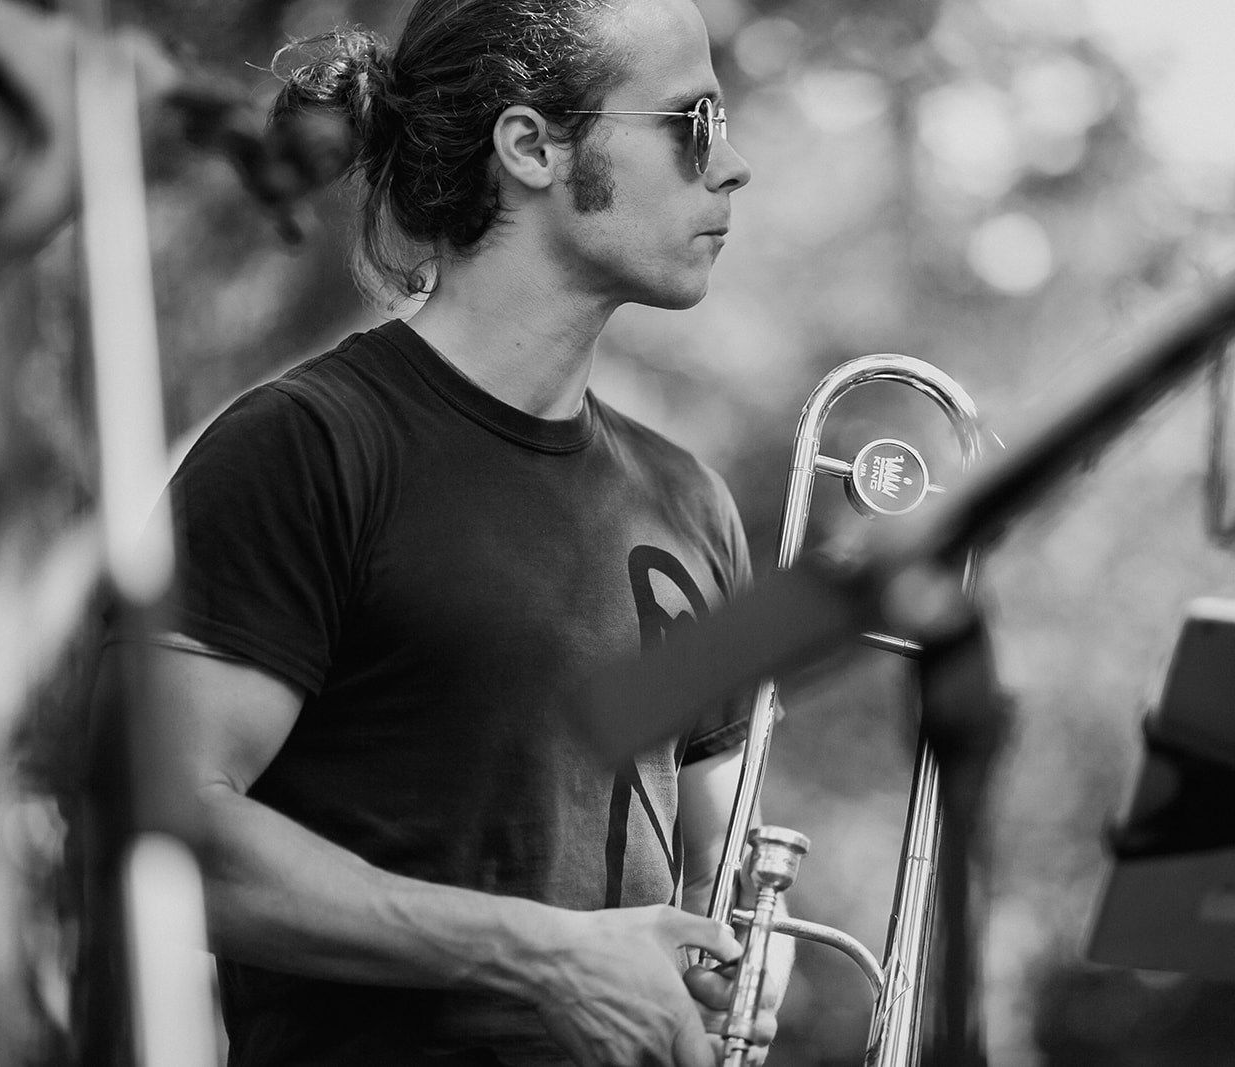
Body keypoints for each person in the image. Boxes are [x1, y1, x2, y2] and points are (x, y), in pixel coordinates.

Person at [136, 0, 785, 1063]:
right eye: (693, 121)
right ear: (531, 146)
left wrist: (741, 958)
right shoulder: (306, 447)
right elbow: (159, 824)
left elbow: (715, 870)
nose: (734, 166)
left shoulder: (692, 503)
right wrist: (539, 955)